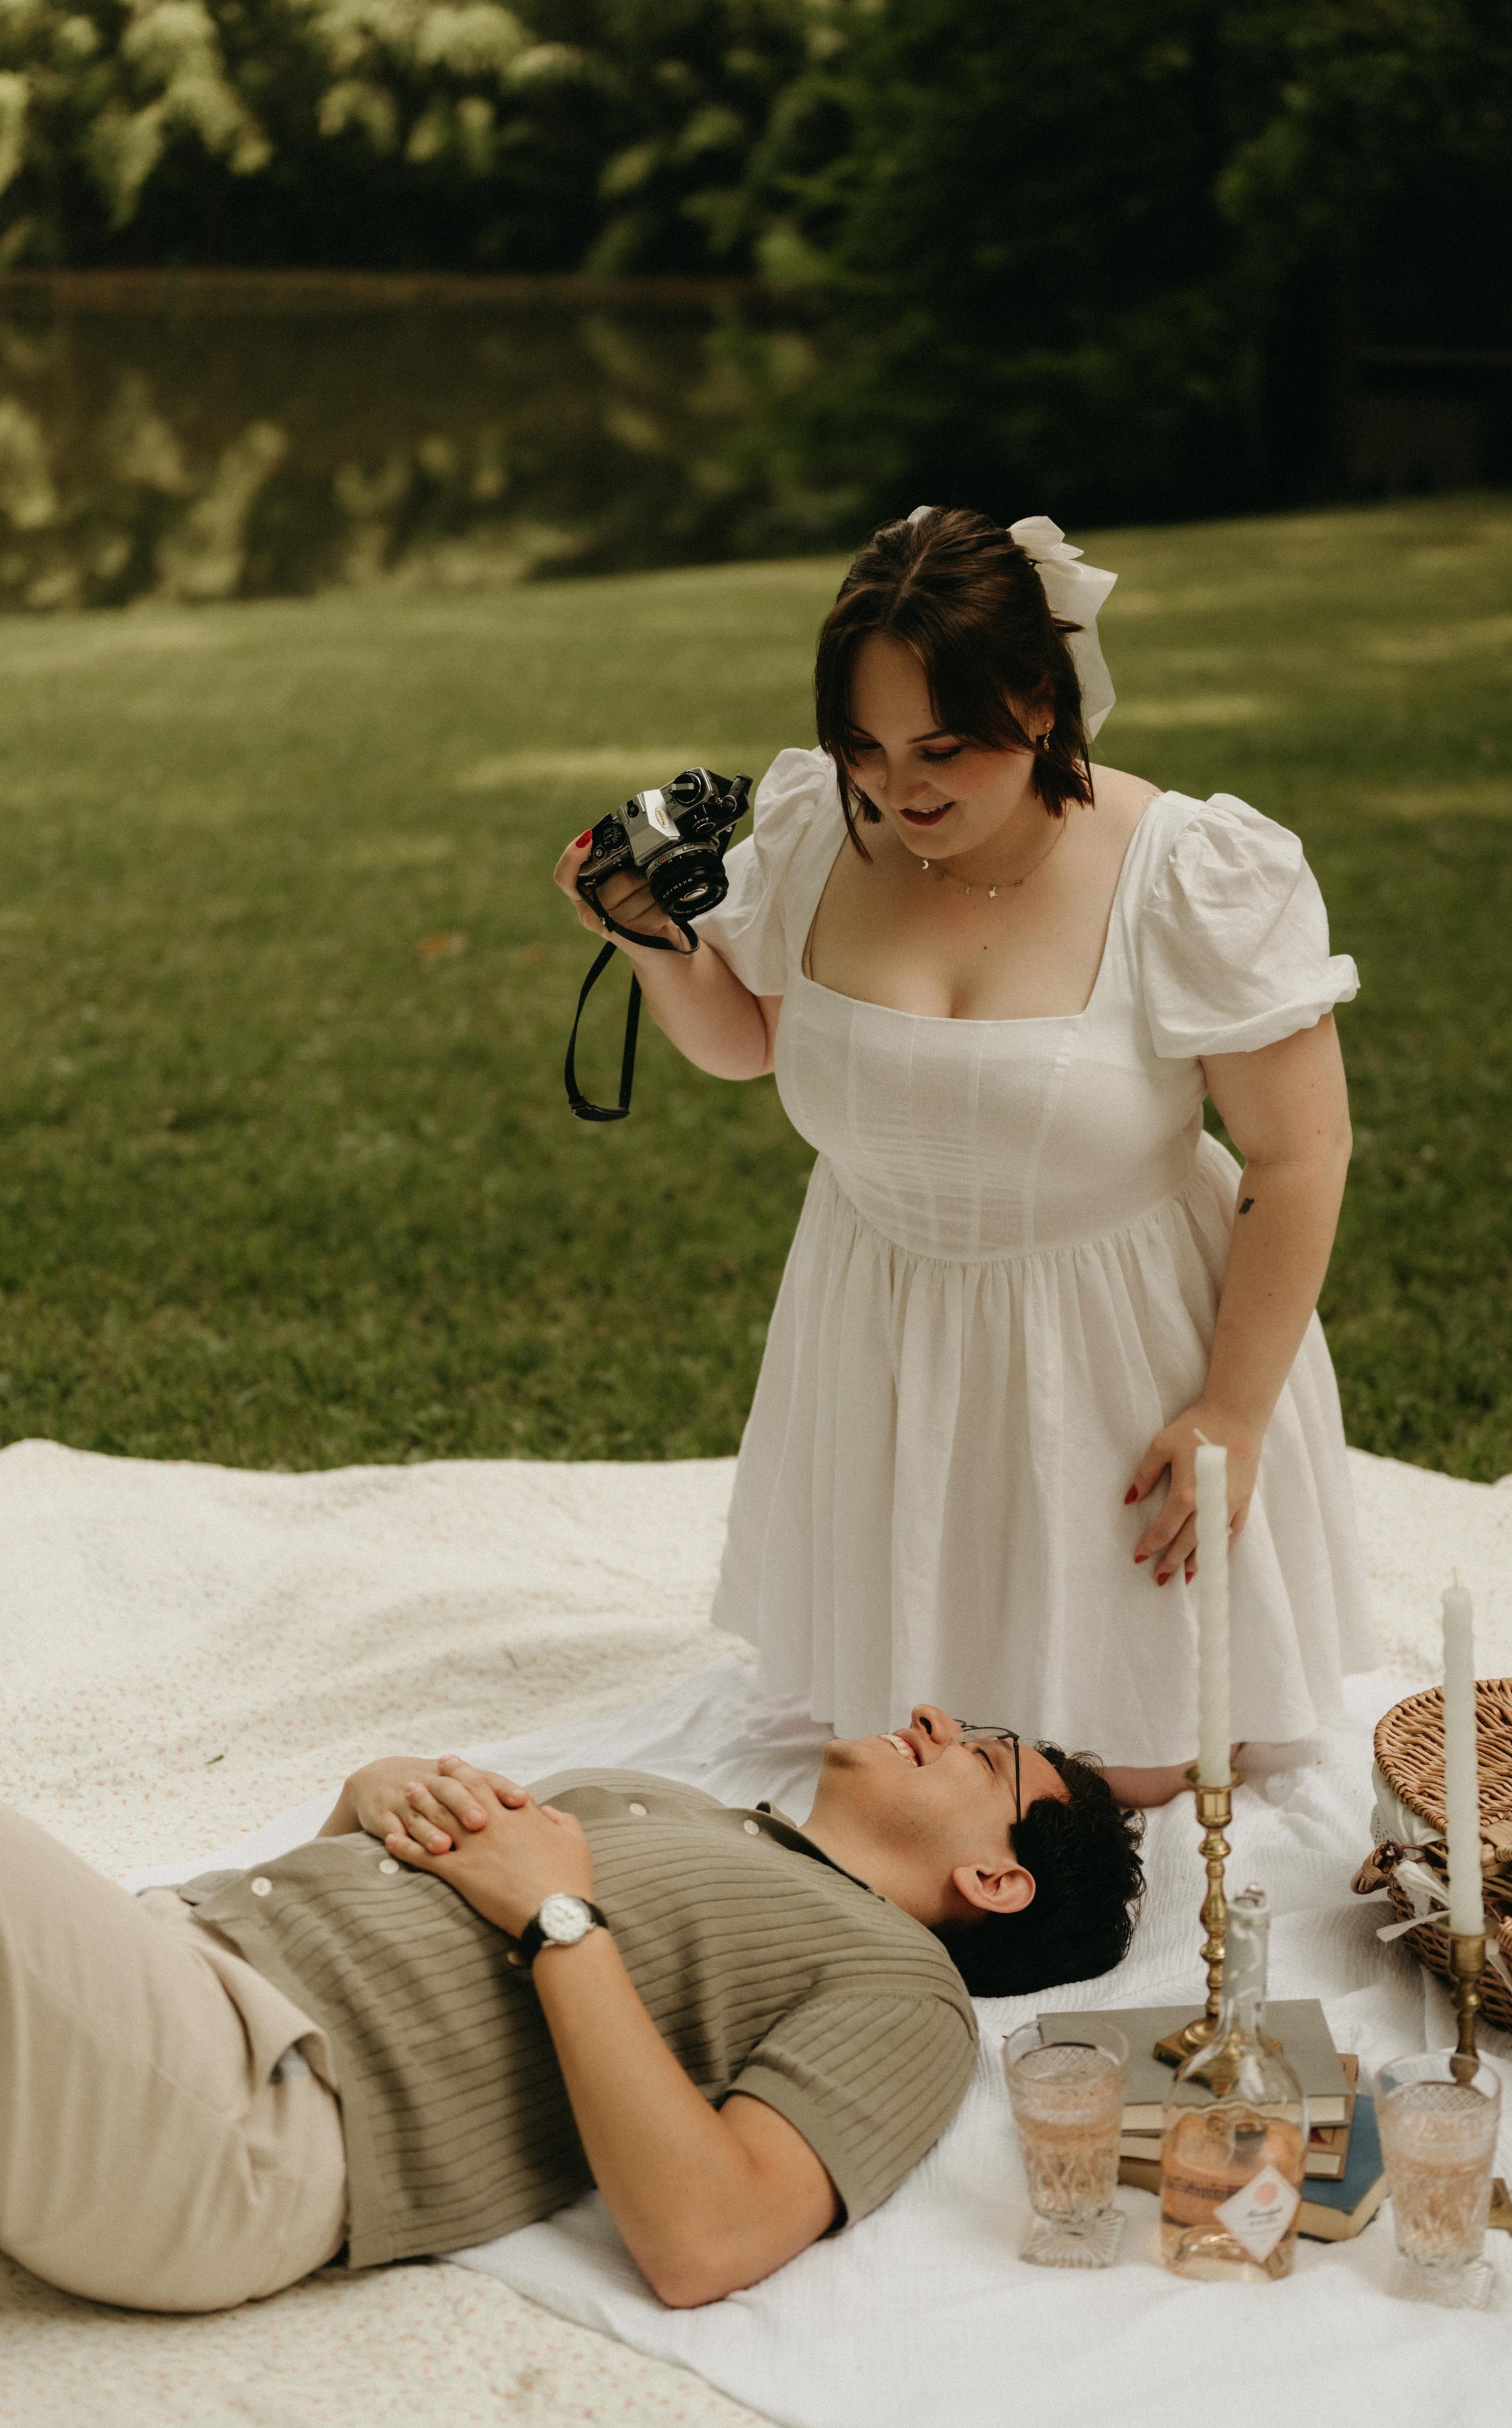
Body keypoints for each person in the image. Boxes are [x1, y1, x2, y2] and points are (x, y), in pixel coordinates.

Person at [555, 506, 1381, 1804]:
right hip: (880, 1308)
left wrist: (1230, 1410)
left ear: (1041, 702)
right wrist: (649, 938)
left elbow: (1301, 1150)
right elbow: (749, 1042)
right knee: (896, 1747)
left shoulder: (1185, 871)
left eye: (941, 747)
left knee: (1130, 1773)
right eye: (864, 748)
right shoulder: (822, 831)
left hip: (1115, 1338)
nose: (899, 787)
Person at [0, 1705, 1141, 2317]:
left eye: (985, 1759)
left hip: (247, 2104)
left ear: (997, 1880)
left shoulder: (908, 1990)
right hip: (168, 1972)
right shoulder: (696, 1812)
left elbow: (710, 2239)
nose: (935, 1715)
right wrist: (370, 1803)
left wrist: (557, 1914)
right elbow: (417, 1952)